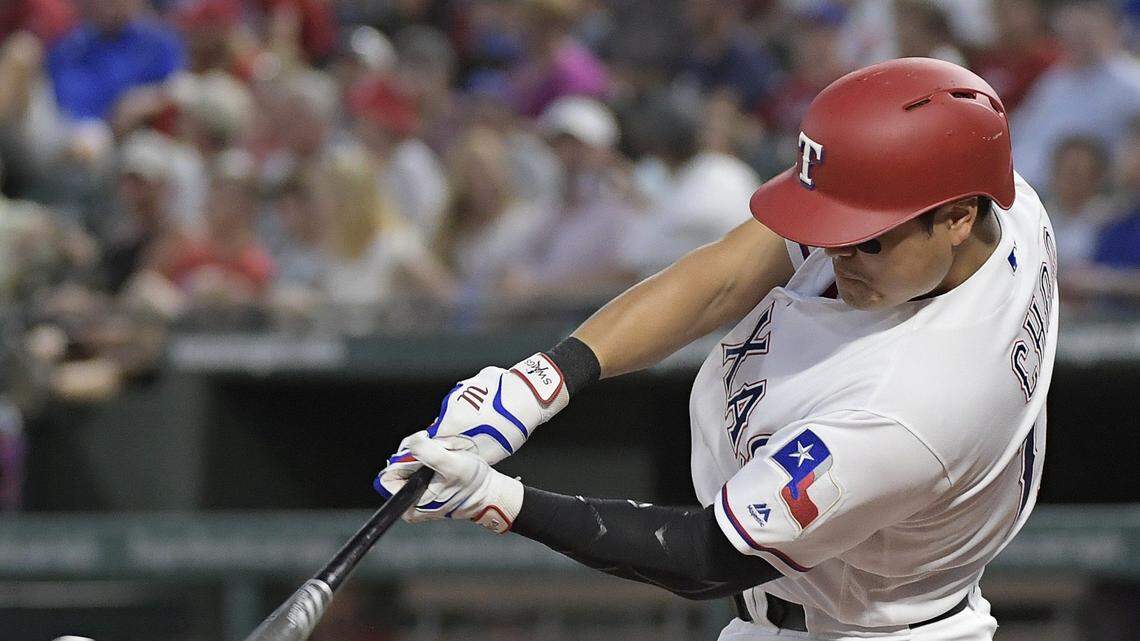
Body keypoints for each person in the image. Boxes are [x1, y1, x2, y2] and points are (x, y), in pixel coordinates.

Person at [376, 57, 1056, 641]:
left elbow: (709, 553)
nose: (837, 252)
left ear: (958, 218)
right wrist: (542, 381)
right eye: (831, 230)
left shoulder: (916, 404)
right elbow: (730, 271)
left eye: (864, 237)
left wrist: (499, 499)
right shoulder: (1001, 200)